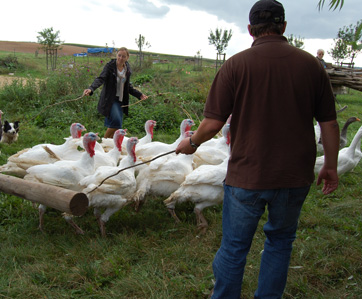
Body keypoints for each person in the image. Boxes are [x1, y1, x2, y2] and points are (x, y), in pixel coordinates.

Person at [175, 1, 340, 298]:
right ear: (284, 27)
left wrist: (192, 143)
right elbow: (328, 122)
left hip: (246, 176)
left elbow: (212, 124)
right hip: (293, 176)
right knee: (280, 241)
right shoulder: (310, 65)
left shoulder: (236, 65)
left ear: (250, 30)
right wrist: (329, 164)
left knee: (235, 247)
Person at [83, 47, 148, 138]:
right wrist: (91, 89)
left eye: (123, 56)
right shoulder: (110, 67)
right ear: (116, 55)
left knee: (116, 126)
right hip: (110, 99)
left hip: (121, 100)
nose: (121, 58)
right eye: (119, 55)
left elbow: (127, 86)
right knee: (116, 123)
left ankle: (108, 146)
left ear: (127, 58)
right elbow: (101, 79)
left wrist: (139, 94)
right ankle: (104, 144)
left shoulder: (127, 69)